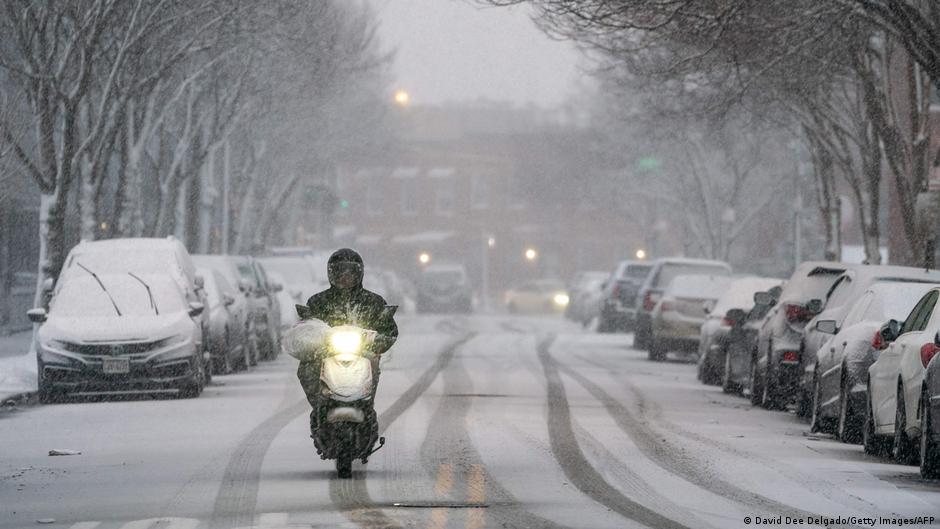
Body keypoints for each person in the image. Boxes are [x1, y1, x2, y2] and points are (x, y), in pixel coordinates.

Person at [296, 248, 398, 428]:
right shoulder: (318, 301)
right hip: (325, 353)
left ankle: (365, 408)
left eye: (350, 272)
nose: (345, 277)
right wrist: (310, 341)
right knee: (307, 368)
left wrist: (378, 342)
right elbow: (306, 328)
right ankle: (320, 409)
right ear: (331, 274)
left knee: (372, 363)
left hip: (362, 353)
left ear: (359, 273)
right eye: (339, 272)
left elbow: (388, 330)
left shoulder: (373, 302)